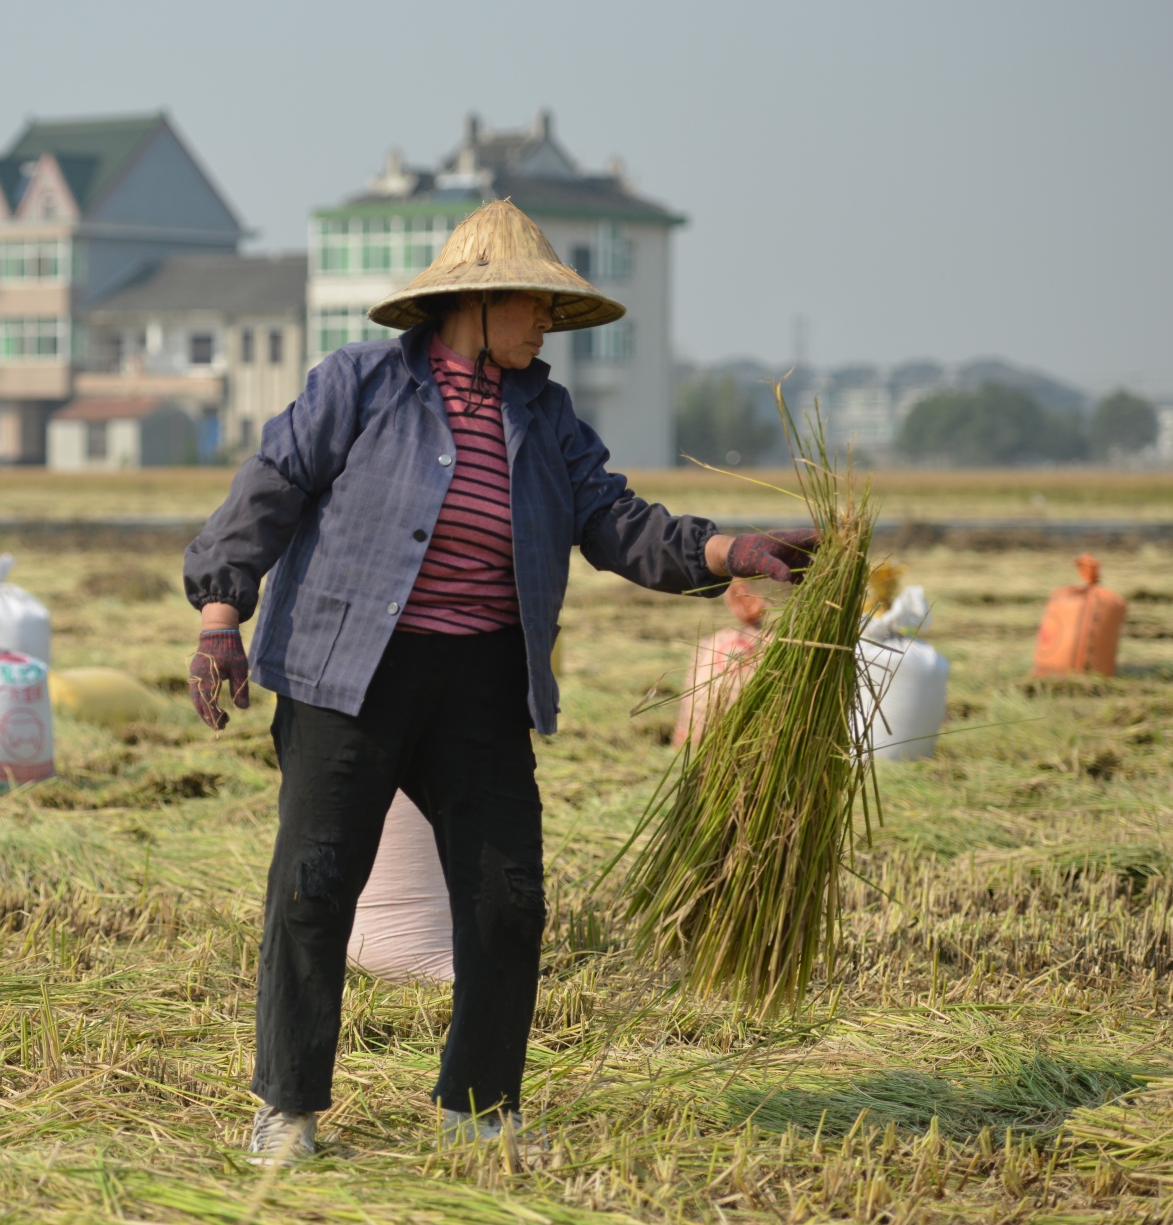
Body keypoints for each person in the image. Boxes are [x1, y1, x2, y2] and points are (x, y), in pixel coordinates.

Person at [180, 200, 815, 1165]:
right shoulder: (361, 386)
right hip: (345, 669)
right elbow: (267, 487)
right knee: (313, 885)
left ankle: (479, 1112)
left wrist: (734, 549)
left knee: (505, 895)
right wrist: (221, 614)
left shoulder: (545, 417)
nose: (544, 326)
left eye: (555, 312)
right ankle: (289, 1109)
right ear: (474, 303)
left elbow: (619, 524)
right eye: (533, 307)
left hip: (479, 678)